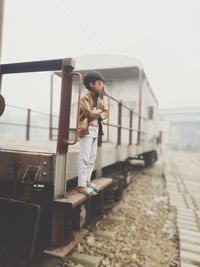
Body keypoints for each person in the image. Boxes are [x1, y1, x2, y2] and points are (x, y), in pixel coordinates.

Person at [78, 70, 108, 195]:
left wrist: (98, 112)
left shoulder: (99, 100)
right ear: (91, 84)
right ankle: (81, 185)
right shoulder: (84, 98)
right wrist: (100, 112)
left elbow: (107, 113)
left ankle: (87, 180)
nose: (102, 86)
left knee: (92, 157)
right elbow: (88, 114)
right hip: (87, 130)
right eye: (99, 83)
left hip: (96, 130)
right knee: (84, 157)